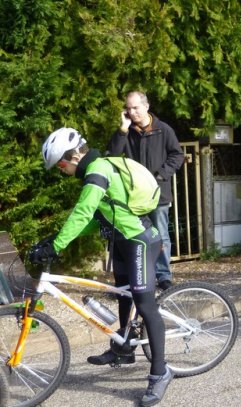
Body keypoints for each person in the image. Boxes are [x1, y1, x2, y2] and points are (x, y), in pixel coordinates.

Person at [34, 128, 171, 406]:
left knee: (145, 306)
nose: (61, 171)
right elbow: (96, 220)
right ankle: (124, 349)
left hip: (139, 241)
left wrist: (58, 245)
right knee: (123, 294)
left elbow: (82, 211)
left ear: (73, 156)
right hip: (121, 240)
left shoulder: (97, 171)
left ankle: (160, 372)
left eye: (60, 164)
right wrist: (54, 239)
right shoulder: (94, 171)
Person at [107, 91, 184, 291]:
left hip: (158, 195)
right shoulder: (127, 132)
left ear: (146, 106)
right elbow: (112, 156)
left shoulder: (163, 130)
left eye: (136, 108)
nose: (132, 112)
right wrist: (122, 130)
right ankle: (141, 276)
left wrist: (160, 176)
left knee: (161, 235)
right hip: (133, 197)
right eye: (129, 109)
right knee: (137, 235)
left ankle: (163, 276)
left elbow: (177, 155)